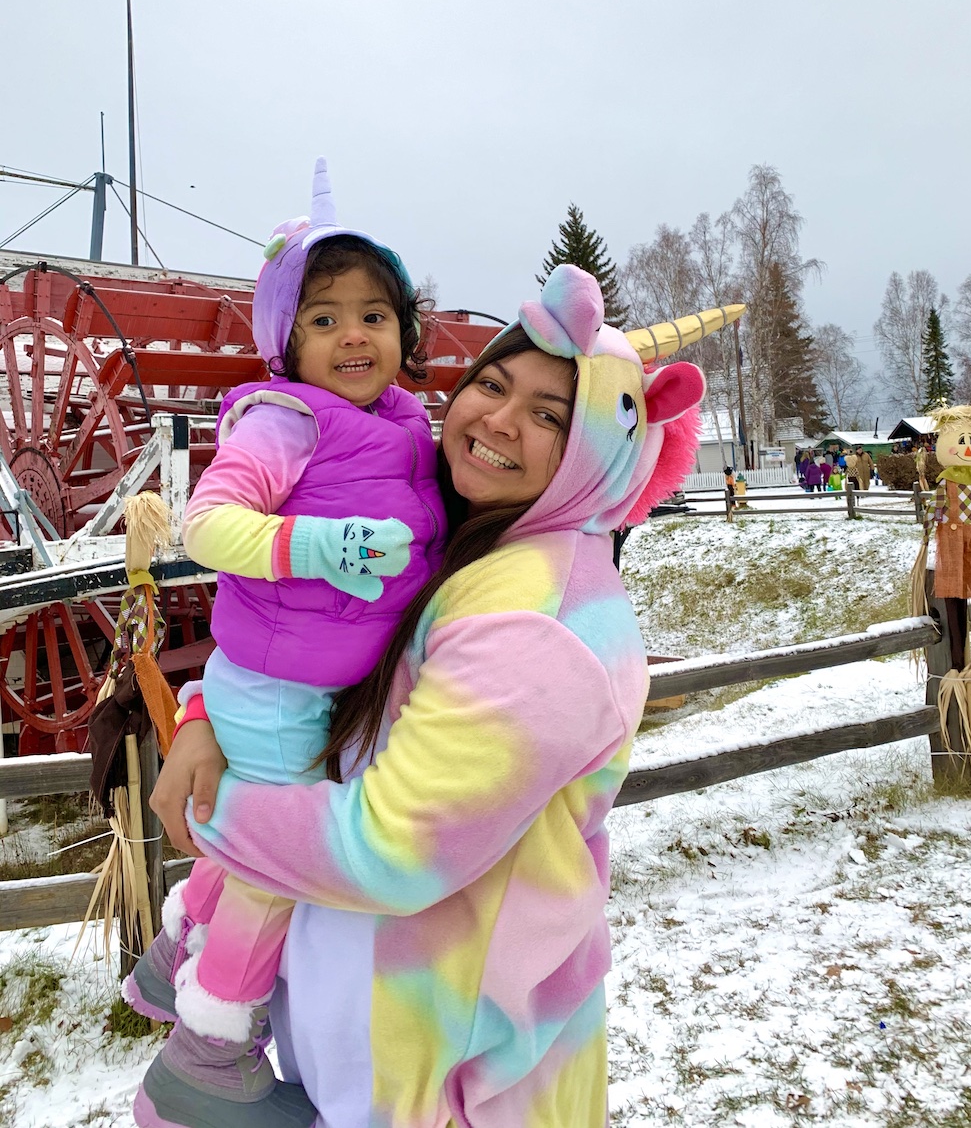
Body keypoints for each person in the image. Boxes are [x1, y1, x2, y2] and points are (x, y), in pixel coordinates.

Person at [140, 264, 706, 1128]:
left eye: (551, 415)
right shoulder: (471, 541)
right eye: (492, 382)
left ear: (598, 452)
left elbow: (390, 849)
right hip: (379, 1059)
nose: (499, 419)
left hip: (462, 1082)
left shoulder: (540, 622)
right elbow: (319, 646)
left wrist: (212, 813)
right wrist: (206, 717)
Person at [126, 158, 446, 1120]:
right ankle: (204, 1058)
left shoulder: (401, 424)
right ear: (286, 342)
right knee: (278, 858)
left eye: (375, 315)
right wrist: (314, 544)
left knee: (260, 832)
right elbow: (208, 526)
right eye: (324, 317)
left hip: (308, 684)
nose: (354, 333)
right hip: (275, 685)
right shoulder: (285, 419)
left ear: (403, 333)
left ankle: (176, 943)